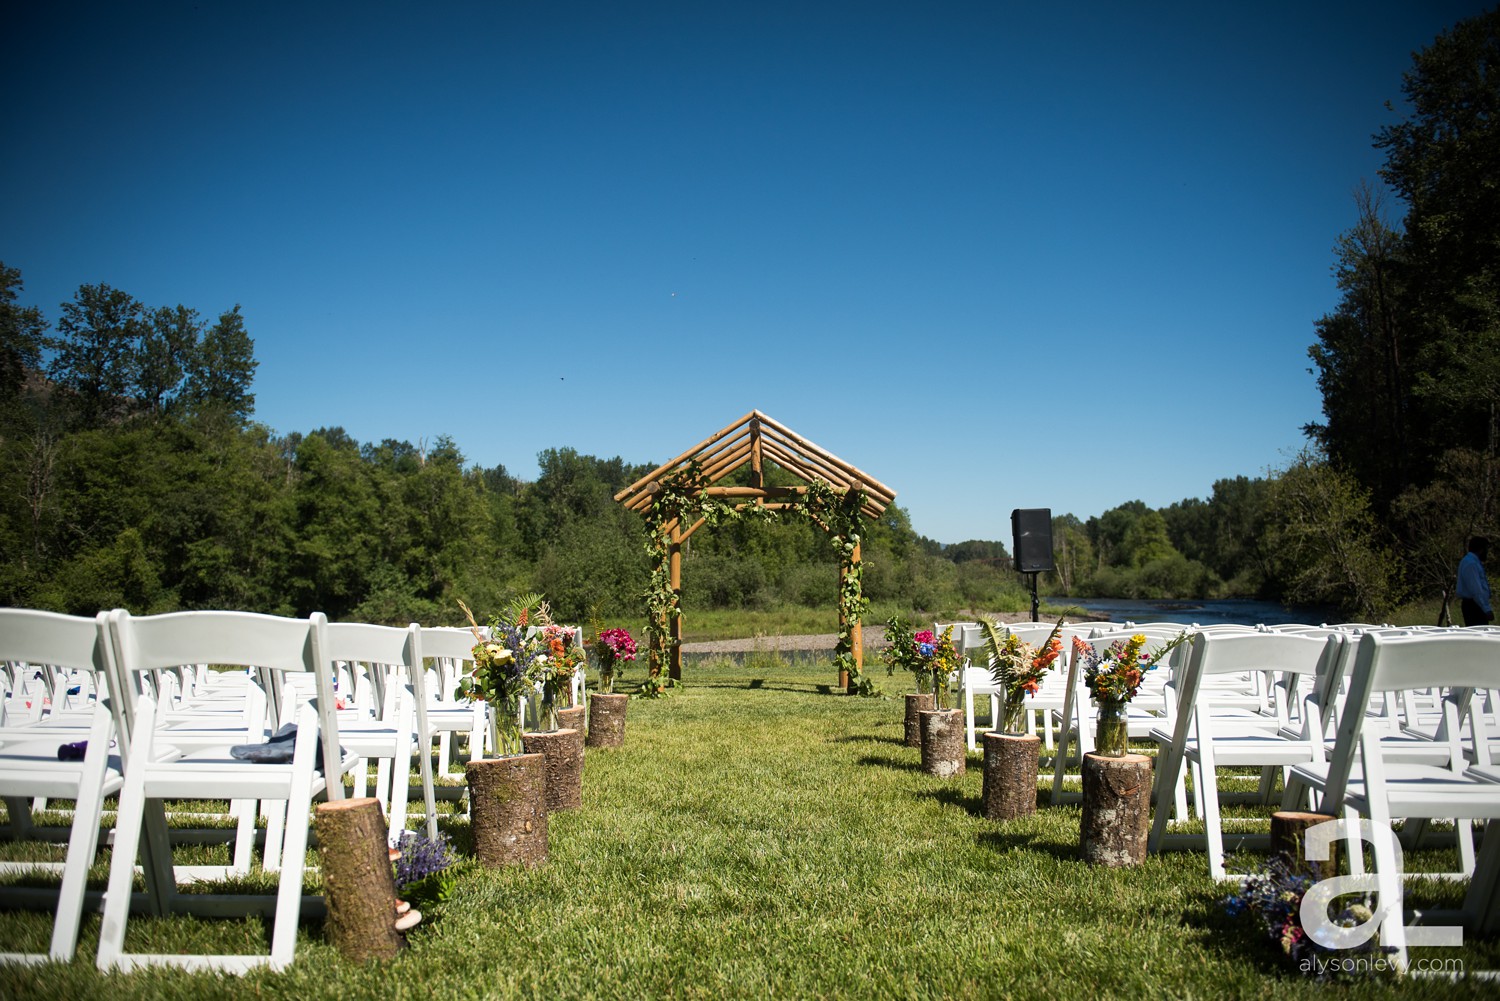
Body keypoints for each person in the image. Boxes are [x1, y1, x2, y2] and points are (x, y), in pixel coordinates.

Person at [1456, 536, 1493, 627]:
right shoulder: (1471, 563)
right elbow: (1475, 590)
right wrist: (1486, 609)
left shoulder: (1473, 562)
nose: (1487, 552)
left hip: (1474, 604)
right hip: (1474, 605)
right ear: (1481, 549)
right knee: (1479, 634)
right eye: (1486, 549)